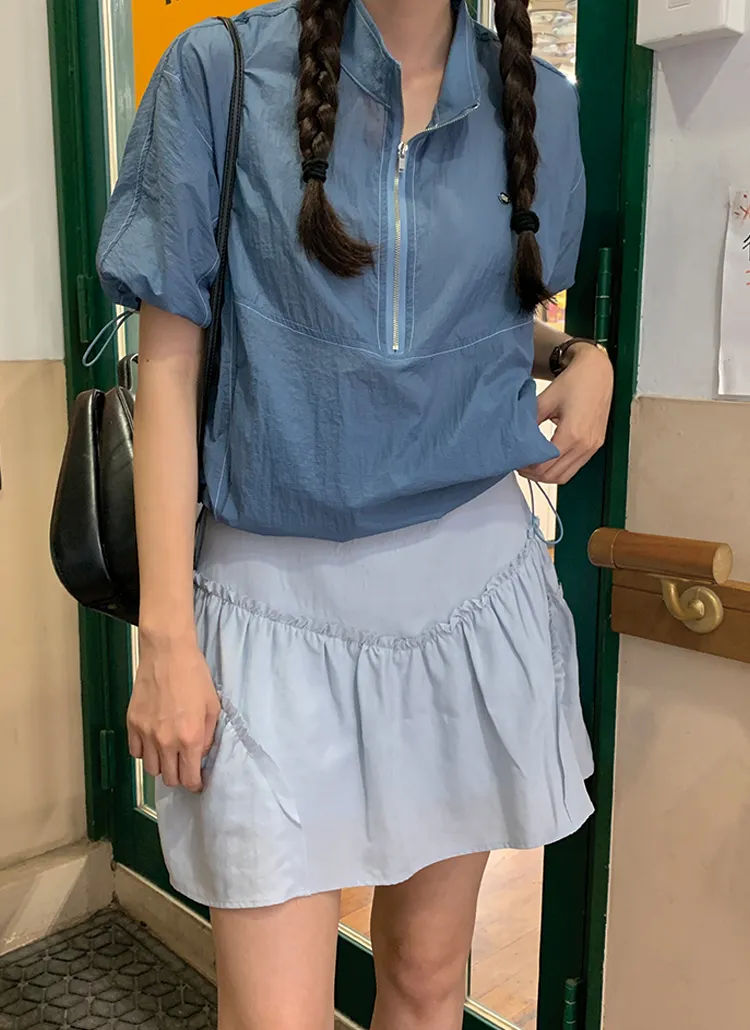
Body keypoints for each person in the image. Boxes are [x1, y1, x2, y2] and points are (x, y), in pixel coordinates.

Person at [96, 0, 613, 1027]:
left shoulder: (542, 106)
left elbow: (468, 317)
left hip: (470, 597)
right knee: (271, 1013)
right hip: (270, 611)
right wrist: (165, 636)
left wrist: (576, 353)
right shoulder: (220, 73)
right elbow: (169, 368)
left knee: (426, 982)